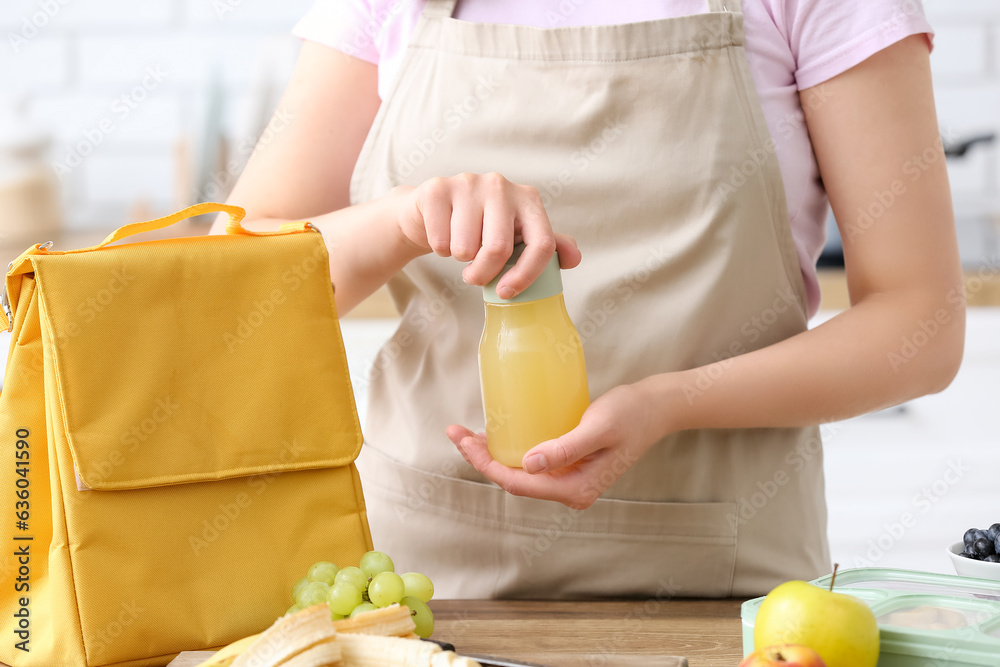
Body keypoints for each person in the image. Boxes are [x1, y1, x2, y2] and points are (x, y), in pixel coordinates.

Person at [212, 0, 964, 599]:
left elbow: (920, 321)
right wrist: (399, 221)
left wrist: (672, 401)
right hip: (420, 591)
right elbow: (229, 292)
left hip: (722, 593)